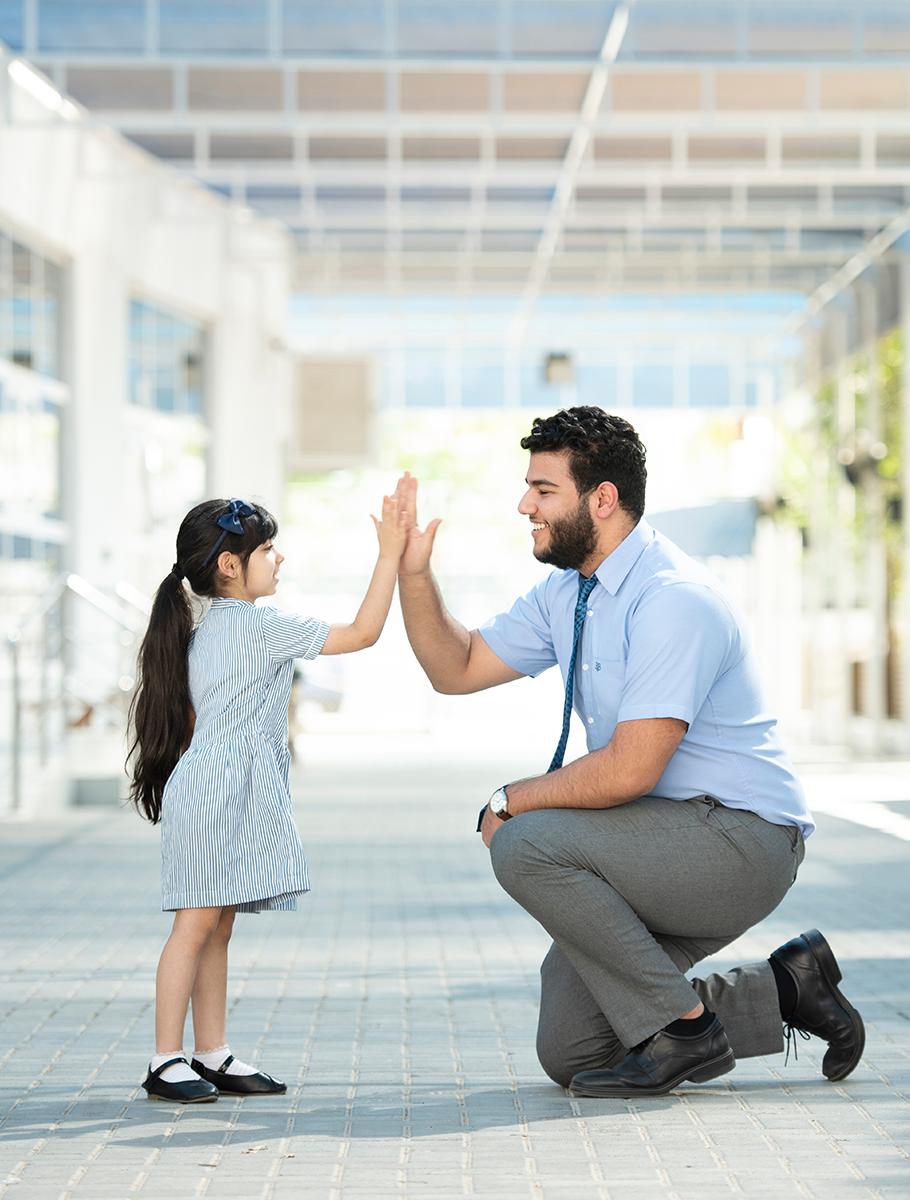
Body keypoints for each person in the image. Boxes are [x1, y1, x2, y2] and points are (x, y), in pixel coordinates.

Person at [394, 408, 864, 1099]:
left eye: (544, 490)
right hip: (661, 842)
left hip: (741, 841)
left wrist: (508, 801)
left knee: (525, 843)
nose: (525, 504)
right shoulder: (569, 592)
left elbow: (631, 769)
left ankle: (687, 1033)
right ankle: (789, 990)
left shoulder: (674, 600)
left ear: (603, 499)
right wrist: (413, 575)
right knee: (573, 1047)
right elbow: (456, 667)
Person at [128, 493, 406, 1103]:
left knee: (216, 925)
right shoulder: (255, 626)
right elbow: (363, 633)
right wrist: (389, 556)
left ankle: (212, 1051)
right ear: (230, 565)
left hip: (218, 790)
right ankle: (164, 1059)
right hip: (215, 794)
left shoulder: (219, 626)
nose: (279, 559)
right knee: (195, 925)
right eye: (267, 549)